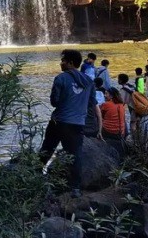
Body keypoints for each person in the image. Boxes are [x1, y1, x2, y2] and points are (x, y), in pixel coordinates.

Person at [40, 49, 96, 198]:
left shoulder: (61, 78)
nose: (61, 63)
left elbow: (54, 102)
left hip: (59, 121)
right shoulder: (89, 82)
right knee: (76, 155)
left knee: (47, 149)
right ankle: (75, 189)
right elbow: (91, 103)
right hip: (78, 123)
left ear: (71, 63)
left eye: (63, 60)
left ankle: (36, 178)